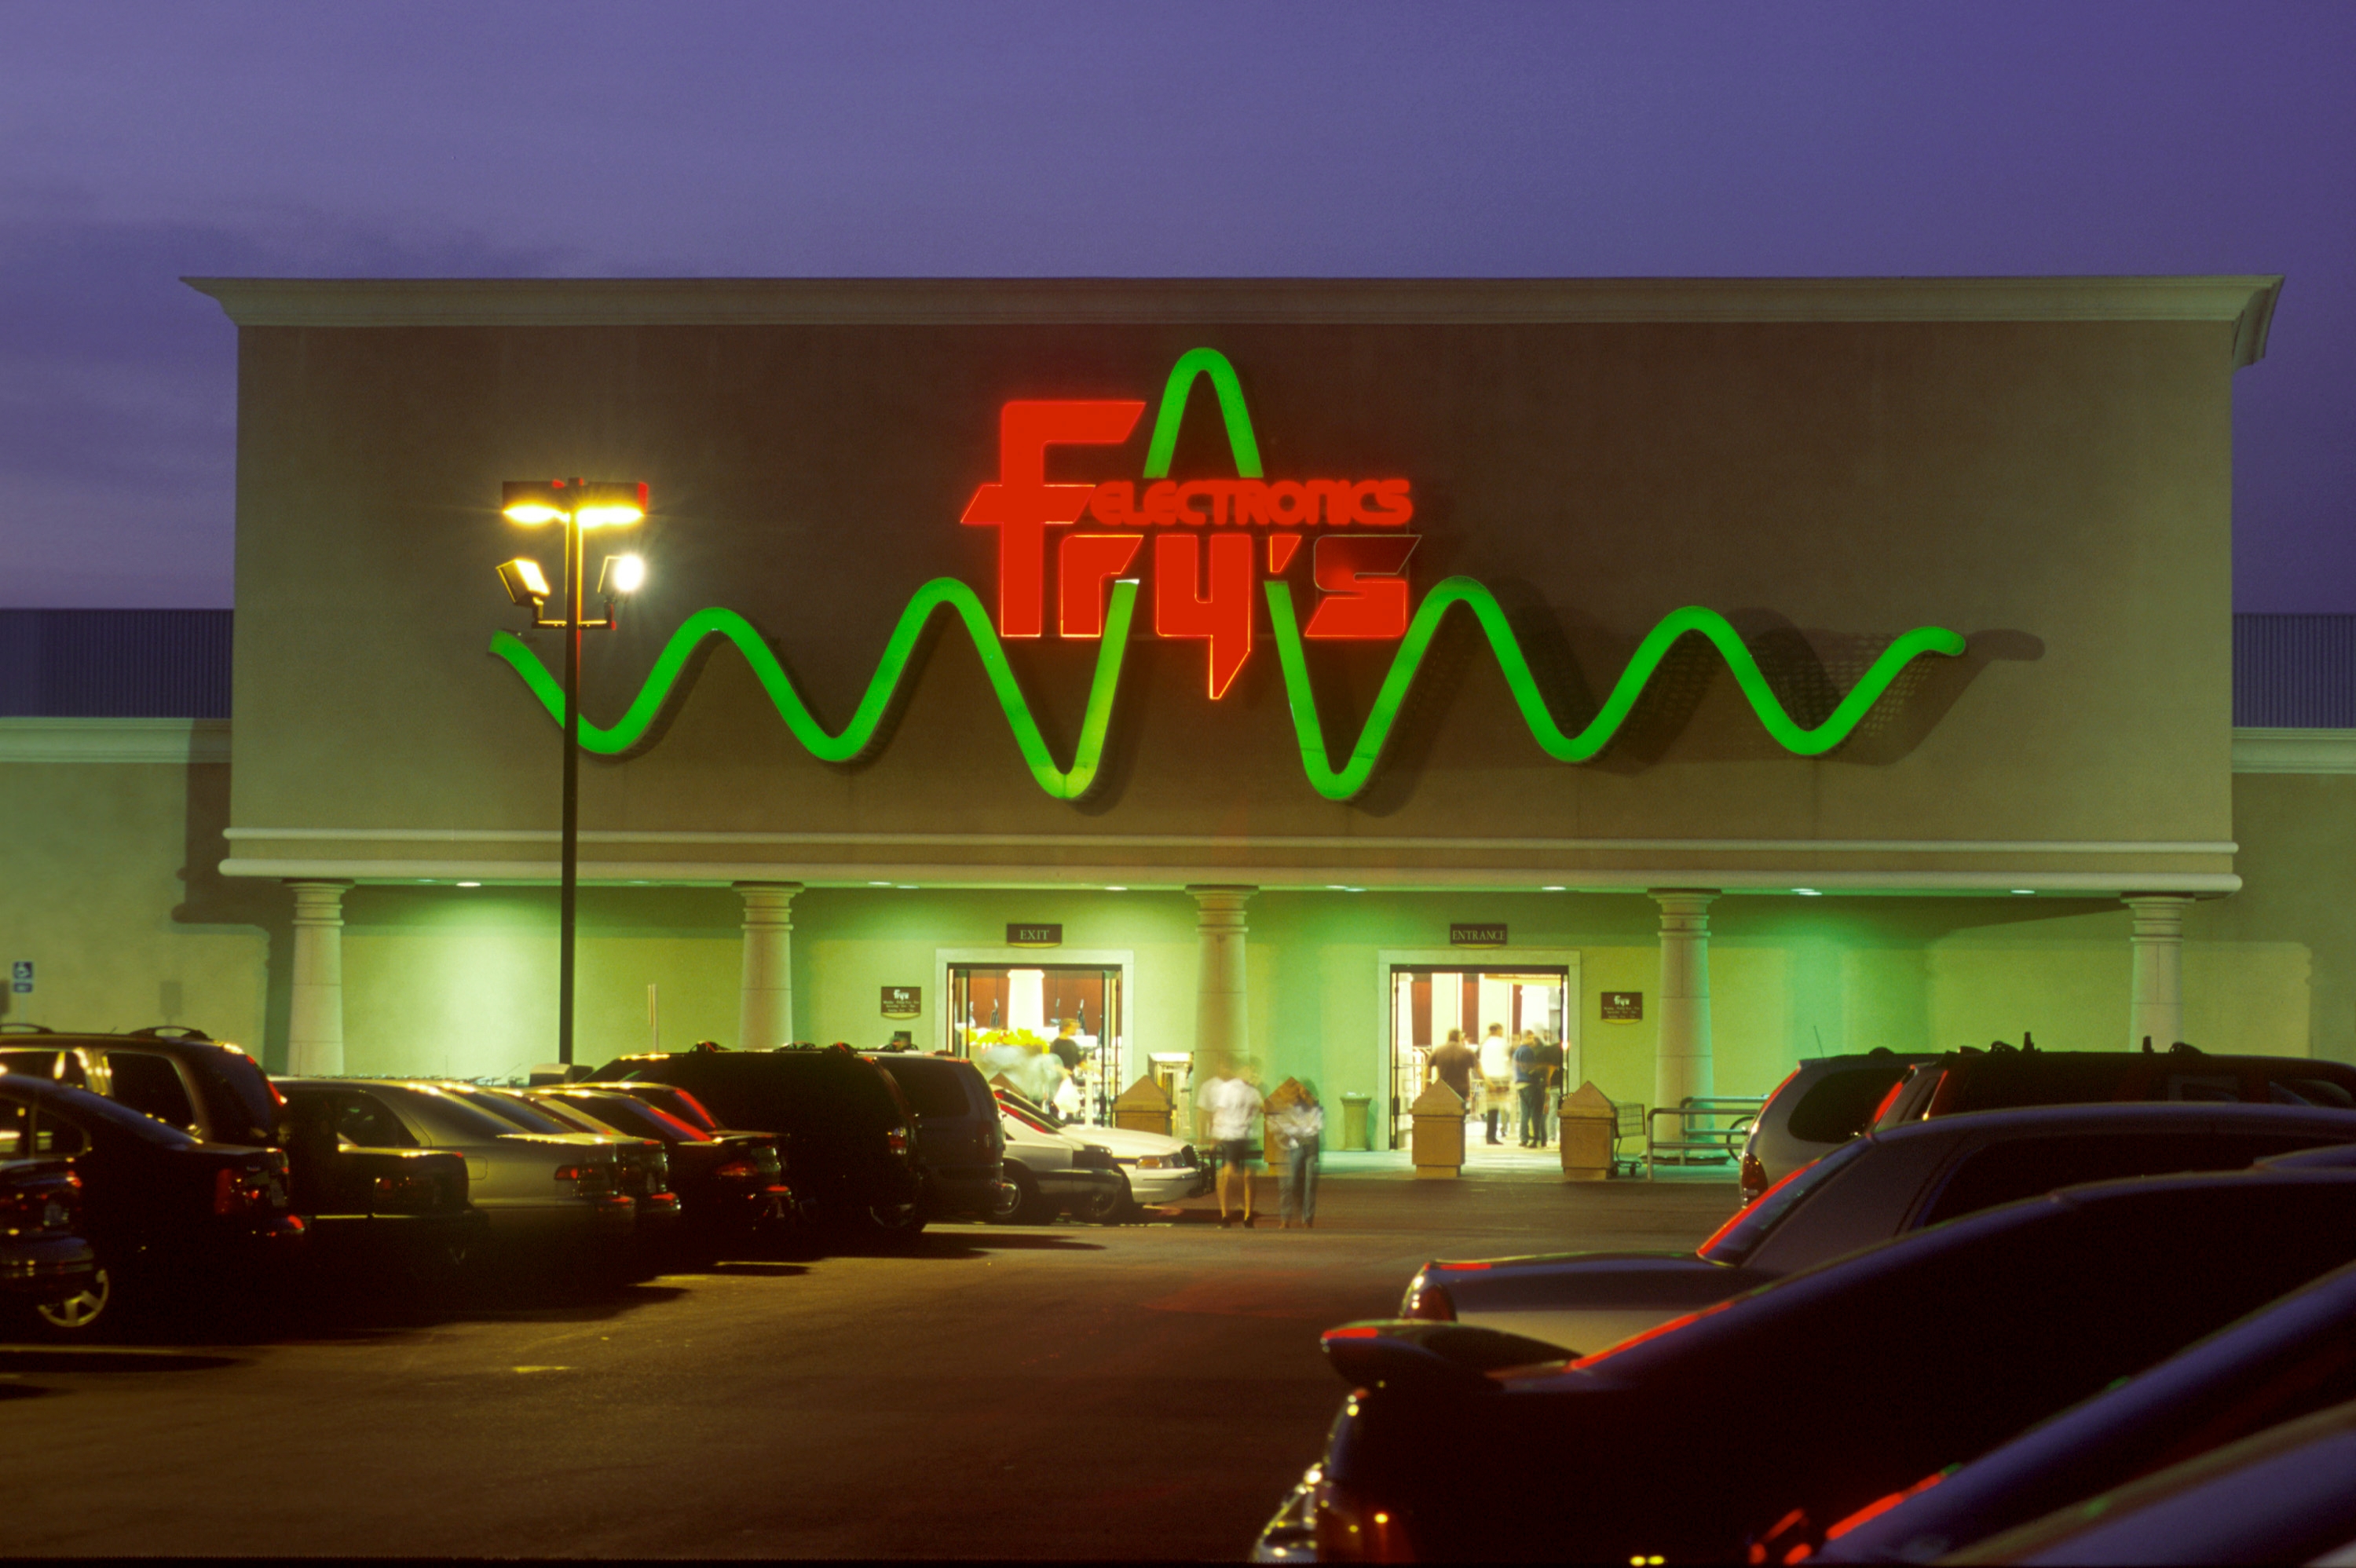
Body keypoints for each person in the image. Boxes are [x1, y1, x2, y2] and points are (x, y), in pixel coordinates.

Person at [1199, 1064, 1264, 1226]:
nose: (1252, 1074)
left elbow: (1263, 1108)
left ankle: (1248, 1215)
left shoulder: (1254, 1091)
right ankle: (1225, 1214)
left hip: (1248, 1136)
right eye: (1249, 1071)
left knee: (1249, 1176)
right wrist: (1215, 1138)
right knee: (1228, 1174)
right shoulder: (1228, 1089)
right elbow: (1220, 1112)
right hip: (1231, 1135)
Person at [1273, 1084, 1324, 1229]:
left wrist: (1301, 1129)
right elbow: (1291, 1128)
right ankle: (1292, 1212)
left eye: (1305, 1093)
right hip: (1297, 1147)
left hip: (1312, 1149)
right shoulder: (1294, 1108)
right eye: (1300, 1093)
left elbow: (1316, 1127)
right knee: (1292, 1183)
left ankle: (1307, 1220)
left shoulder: (1317, 1109)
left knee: (1310, 1185)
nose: (1303, 1096)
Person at [1478, 1022, 1513, 1145]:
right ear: (1497, 1030)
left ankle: (1491, 1135)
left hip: (1488, 1079)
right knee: (1497, 1108)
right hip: (1500, 1079)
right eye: (1501, 1030)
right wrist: (1509, 1078)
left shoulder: (1485, 1044)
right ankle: (1492, 1136)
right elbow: (1508, 1061)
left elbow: (1481, 1063)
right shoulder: (1502, 1044)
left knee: (1492, 1109)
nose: (1502, 1032)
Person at [1428, 1027, 1478, 1104]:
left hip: (1444, 1087)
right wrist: (1489, 1082)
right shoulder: (1467, 1052)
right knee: (1460, 1112)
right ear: (1459, 1037)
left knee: (1446, 1112)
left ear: (1448, 1037)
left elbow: (1427, 1066)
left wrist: (1426, 1085)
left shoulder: (1439, 1050)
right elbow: (1478, 1068)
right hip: (1462, 1089)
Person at [1513, 1030, 1544, 1147]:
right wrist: (1539, 1078)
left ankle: (1524, 1138)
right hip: (1530, 1084)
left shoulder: (1517, 1051)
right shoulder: (1528, 1051)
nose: (1533, 1040)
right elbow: (1530, 1069)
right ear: (1525, 1038)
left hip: (1519, 1083)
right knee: (1535, 1112)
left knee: (1524, 1113)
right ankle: (1535, 1139)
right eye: (1530, 1038)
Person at [1536, 1032, 1566, 1146]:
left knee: (1552, 1112)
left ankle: (1551, 1138)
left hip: (1554, 1086)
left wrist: (1548, 1079)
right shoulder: (1570, 1048)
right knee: (1566, 1111)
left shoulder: (1551, 1049)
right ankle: (1564, 1137)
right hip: (1567, 1086)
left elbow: (1547, 1066)